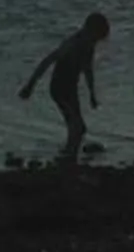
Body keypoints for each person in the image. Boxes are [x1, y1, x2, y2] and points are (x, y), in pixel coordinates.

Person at [19, 10, 109, 162]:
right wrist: (30, 85)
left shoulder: (89, 46)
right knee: (77, 127)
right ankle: (69, 157)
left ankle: (69, 154)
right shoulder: (72, 44)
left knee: (78, 128)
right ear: (88, 30)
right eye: (96, 37)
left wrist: (92, 95)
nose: (95, 42)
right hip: (59, 88)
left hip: (70, 89)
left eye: (98, 40)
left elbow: (88, 71)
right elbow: (47, 61)